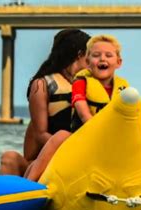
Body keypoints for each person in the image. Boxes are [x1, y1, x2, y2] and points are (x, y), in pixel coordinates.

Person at [25, 34, 128, 181]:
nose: (101, 59)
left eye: (108, 55)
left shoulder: (115, 87)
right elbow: (41, 133)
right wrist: (78, 143)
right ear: (84, 56)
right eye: (94, 54)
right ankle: (29, 185)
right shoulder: (47, 84)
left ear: (118, 62)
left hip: (97, 144)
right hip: (66, 144)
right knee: (61, 135)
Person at [0, 29, 91, 176]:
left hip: (81, 158)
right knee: (9, 158)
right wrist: (71, 149)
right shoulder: (42, 85)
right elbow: (40, 134)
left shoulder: (91, 85)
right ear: (80, 54)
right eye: (90, 55)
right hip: (45, 160)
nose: (94, 61)